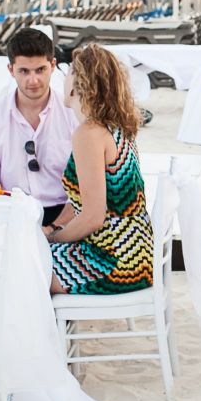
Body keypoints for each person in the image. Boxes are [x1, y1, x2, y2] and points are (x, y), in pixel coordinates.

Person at [45, 44, 154, 296]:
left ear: (78, 84)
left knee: (22, 266)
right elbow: (82, 201)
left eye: (69, 72)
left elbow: (93, 217)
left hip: (113, 261)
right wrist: (54, 229)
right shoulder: (115, 128)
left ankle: (37, 336)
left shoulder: (89, 134)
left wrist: (53, 239)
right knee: (28, 255)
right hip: (136, 253)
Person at [0, 27, 74, 207]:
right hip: (10, 212)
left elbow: (88, 188)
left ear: (53, 66)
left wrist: (57, 230)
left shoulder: (72, 113)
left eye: (40, 70)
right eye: (24, 71)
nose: (33, 80)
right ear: (11, 70)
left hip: (66, 213)